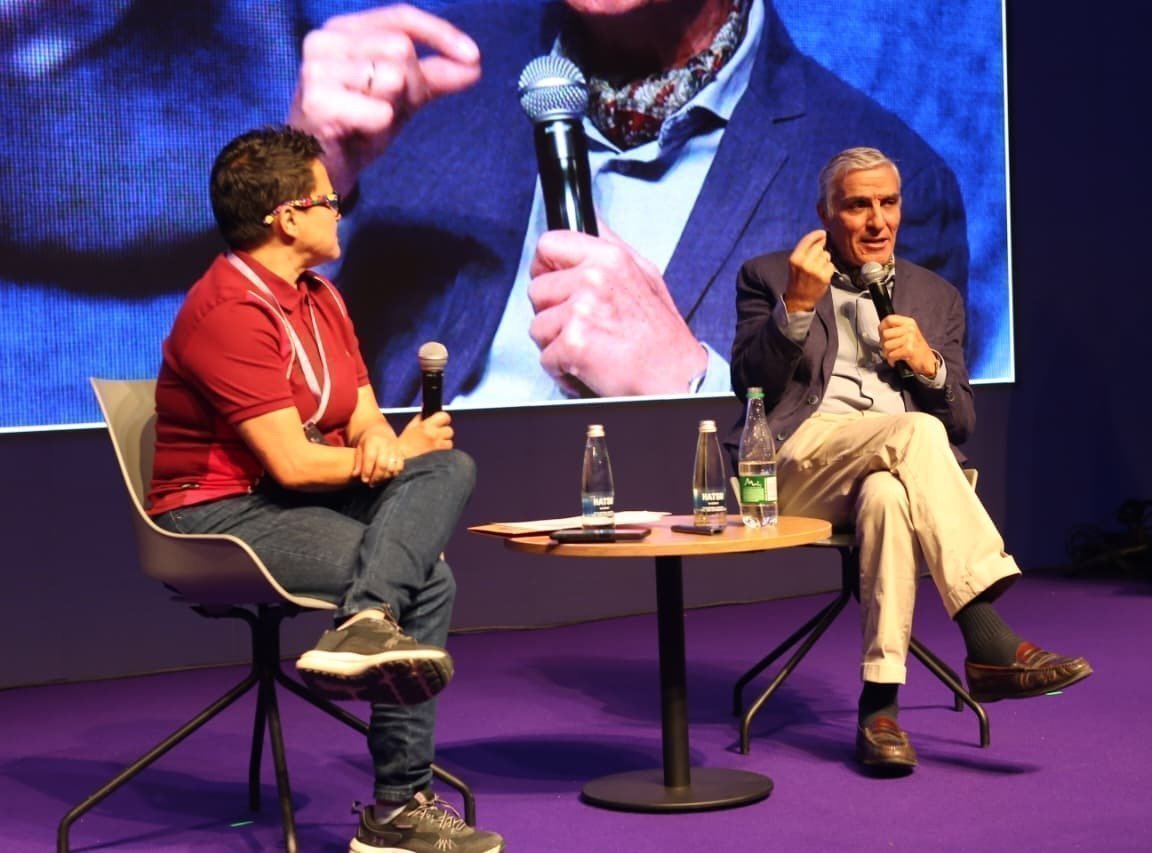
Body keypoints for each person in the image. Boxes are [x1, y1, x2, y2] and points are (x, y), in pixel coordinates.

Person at [288, 0, 970, 407]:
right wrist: (300, 185)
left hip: (666, 604)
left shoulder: (882, 184)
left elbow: (892, 471)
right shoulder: (417, 82)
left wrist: (688, 382)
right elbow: (271, 397)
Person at [146, 126, 504, 852]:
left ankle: (363, 622)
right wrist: (386, 452)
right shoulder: (227, 312)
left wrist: (385, 444)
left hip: (287, 496)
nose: (342, 210)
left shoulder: (323, 300)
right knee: (427, 580)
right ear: (287, 215)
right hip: (216, 511)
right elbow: (293, 465)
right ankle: (399, 805)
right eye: (330, 199)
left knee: (449, 466)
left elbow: (367, 418)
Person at [729, 146, 1091, 774]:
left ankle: (880, 711)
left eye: (888, 203)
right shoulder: (770, 276)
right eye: (858, 205)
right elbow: (750, 387)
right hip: (795, 465)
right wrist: (796, 308)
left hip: (895, 464)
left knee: (890, 497)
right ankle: (986, 632)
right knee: (915, 434)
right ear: (825, 214)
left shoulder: (934, 295)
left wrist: (927, 363)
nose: (877, 221)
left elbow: (963, 422)